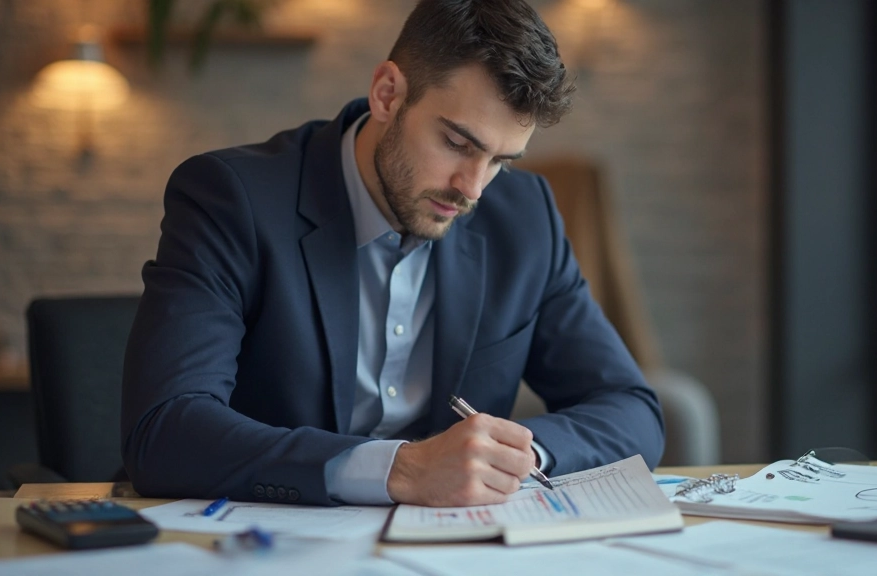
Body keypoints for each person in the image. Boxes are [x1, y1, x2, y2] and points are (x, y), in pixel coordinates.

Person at [121, 0, 664, 508]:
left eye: (500, 159)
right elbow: (165, 430)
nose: (473, 188)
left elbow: (631, 408)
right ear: (387, 93)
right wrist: (398, 469)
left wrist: (512, 457)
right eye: (457, 143)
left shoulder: (524, 218)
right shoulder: (230, 198)